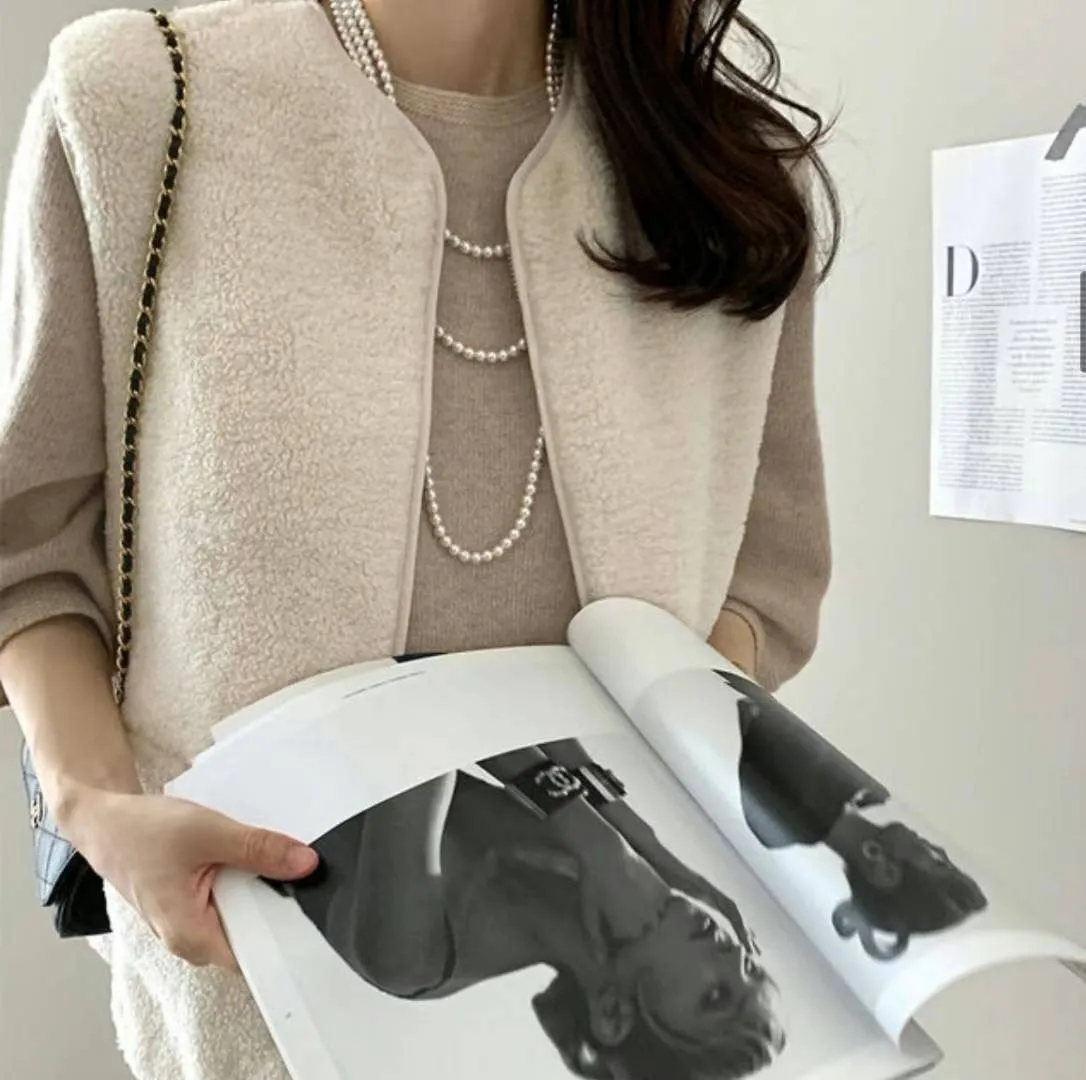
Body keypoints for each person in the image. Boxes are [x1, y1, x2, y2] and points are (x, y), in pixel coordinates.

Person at [0, 1, 838, 1077]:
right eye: (740, 973)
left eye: (721, 986)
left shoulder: (729, 174)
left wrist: (652, 782)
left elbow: (765, 581)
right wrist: (92, 807)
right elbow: (29, 549)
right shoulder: (143, 95)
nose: (727, 949)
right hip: (247, 1027)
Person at [281, 743, 783, 1080]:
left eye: (716, 996)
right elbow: (511, 699)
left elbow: (417, 717)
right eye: (753, 969)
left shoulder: (413, 959)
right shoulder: (583, 864)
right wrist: (646, 847)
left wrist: (598, 839)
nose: (734, 955)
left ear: (612, 1013)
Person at [717, 671, 988, 960]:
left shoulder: (791, 806)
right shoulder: (861, 791)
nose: (940, 849)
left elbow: (741, 699)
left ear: (886, 872)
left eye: (939, 863)